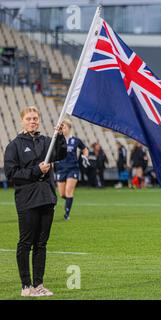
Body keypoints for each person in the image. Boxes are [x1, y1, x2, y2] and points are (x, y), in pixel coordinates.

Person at [4, 106, 67, 297]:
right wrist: (36, 171)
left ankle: (38, 285)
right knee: (26, 243)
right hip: (27, 200)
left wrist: (60, 136)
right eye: (29, 118)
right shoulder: (14, 146)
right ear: (22, 121)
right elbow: (11, 174)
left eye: (35, 118)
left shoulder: (46, 141)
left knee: (41, 244)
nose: (33, 121)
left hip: (46, 198)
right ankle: (26, 286)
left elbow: (61, 154)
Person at [54, 119, 89, 220]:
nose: (63, 129)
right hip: (61, 169)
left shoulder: (75, 140)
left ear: (69, 128)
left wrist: (85, 156)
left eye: (64, 127)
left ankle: (67, 214)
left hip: (73, 168)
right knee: (62, 194)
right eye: (61, 127)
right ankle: (70, 200)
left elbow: (85, 149)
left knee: (69, 191)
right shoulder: (57, 140)